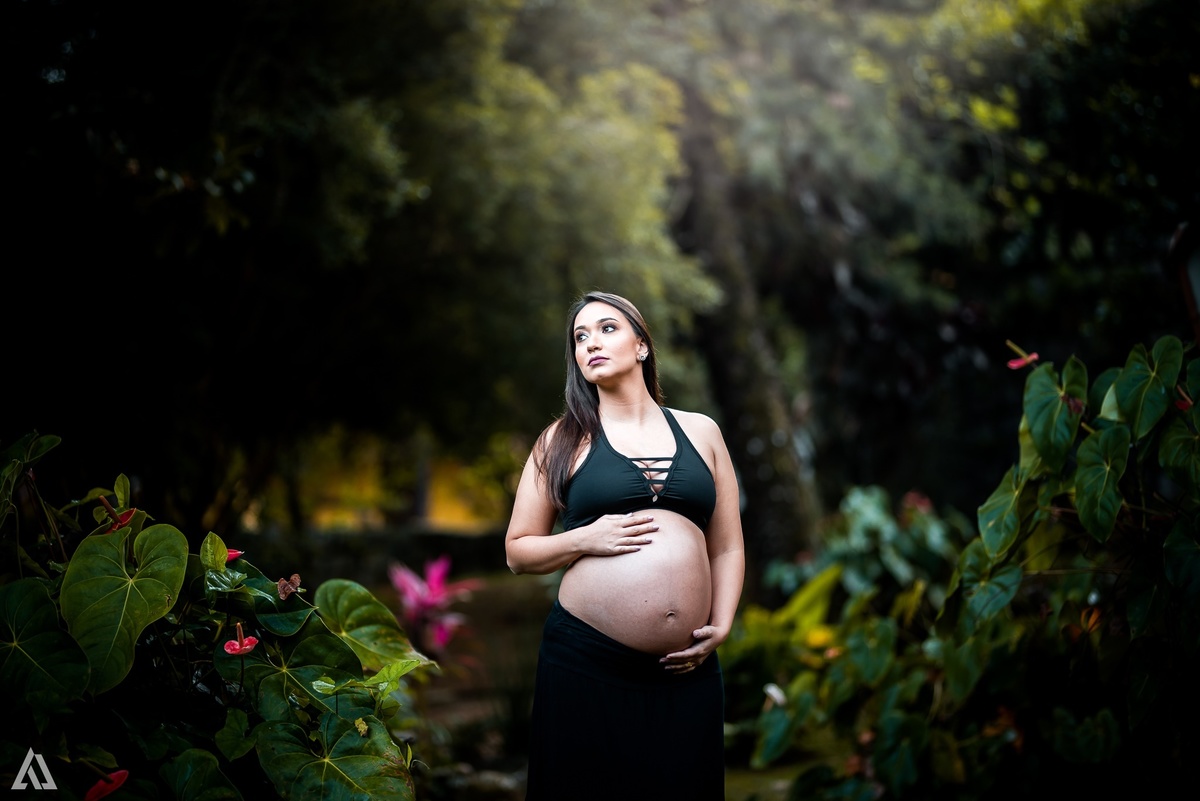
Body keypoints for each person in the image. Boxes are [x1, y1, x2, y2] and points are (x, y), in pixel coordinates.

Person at [505, 290, 745, 800]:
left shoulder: (702, 432)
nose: (591, 343)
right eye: (580, 337)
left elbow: (727, 548)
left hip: (687, 666)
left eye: (607, 328)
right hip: (586, 662)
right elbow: (517, 551)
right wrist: (584, 538)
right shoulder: (560, 441)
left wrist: (722, 624)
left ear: (642, 346)